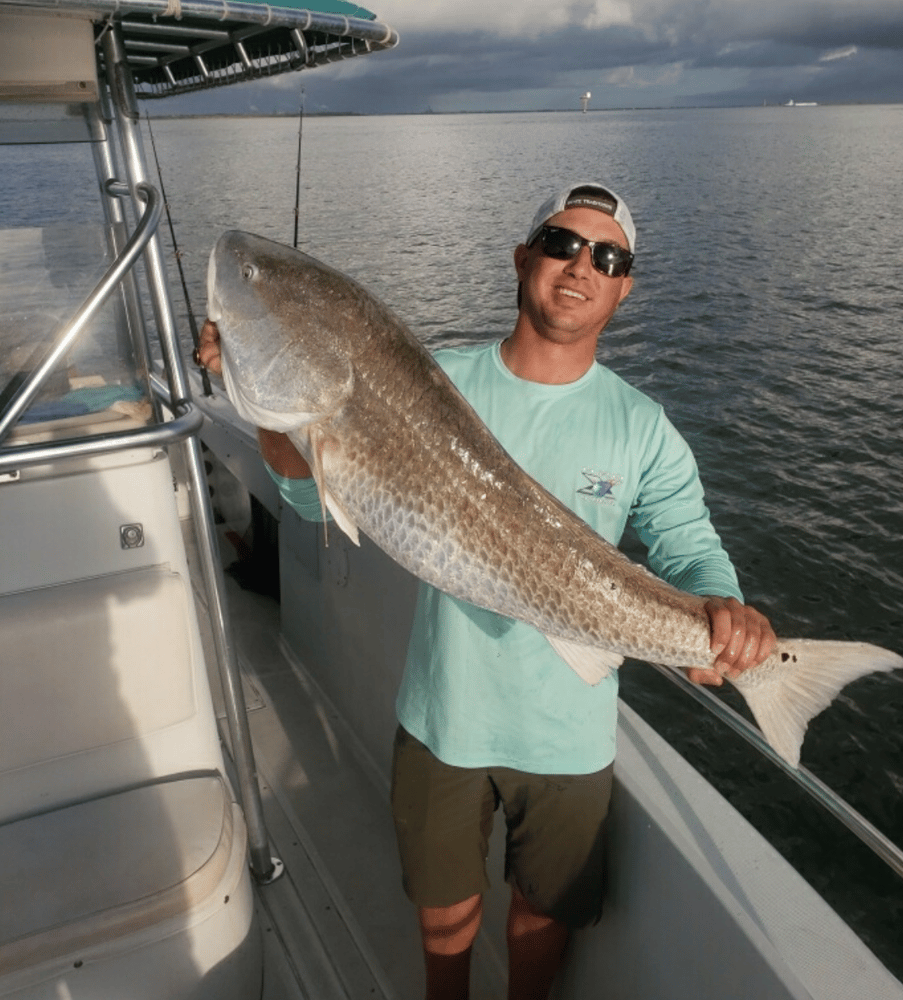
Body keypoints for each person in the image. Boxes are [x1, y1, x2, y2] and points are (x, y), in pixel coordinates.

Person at [197, 182, 776, 1000]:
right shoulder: (436, 380)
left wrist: (725, 614)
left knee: (542, 917)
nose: (581, 266)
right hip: (446, 712)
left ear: (623, 287)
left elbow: (691, 548)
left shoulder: (642, 425)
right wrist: (257, 399)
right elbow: (302, 493)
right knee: (445, 912)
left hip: (570, 733)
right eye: (562, 244)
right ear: (523, 256)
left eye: (607, 258)